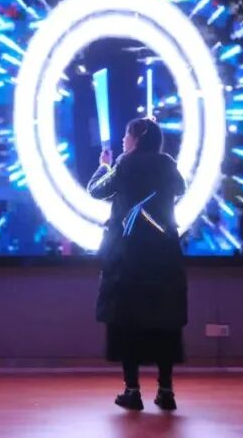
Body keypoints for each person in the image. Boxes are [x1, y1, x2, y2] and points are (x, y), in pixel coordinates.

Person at [88, 117, 187, 412]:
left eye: (127, 134)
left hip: (128, 259)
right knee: (165, 324)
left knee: (126, 323)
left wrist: (104, 166)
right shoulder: (167, 164)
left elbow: (96, 190)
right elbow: (180, 187)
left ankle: (132, 391)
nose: (123, 140)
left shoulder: (124, 164)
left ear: (137, 138)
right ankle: (166, 391)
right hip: (164, 259)